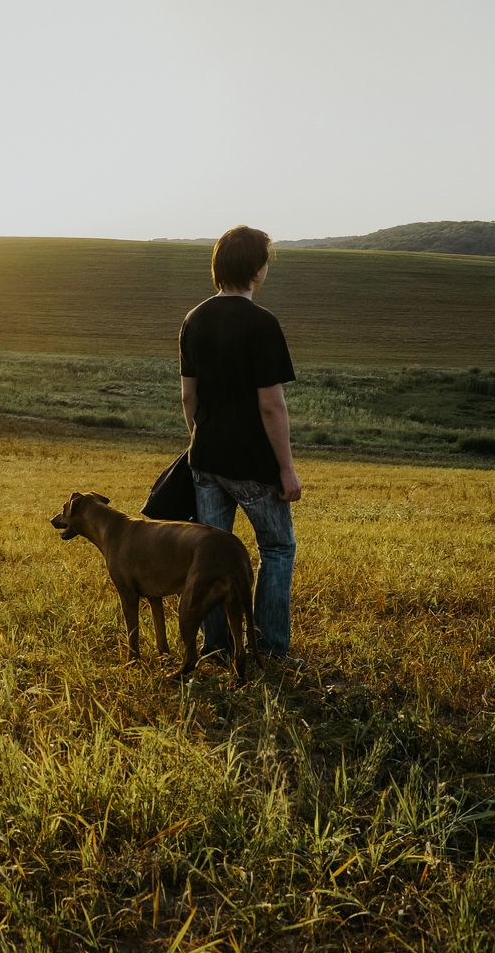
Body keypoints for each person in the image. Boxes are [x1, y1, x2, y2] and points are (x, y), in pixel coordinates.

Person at [178, 225, 301, 664]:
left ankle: (217, 649)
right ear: (256, 269)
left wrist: (199, 438)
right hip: (251, 463)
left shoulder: (193, 319)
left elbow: (188, 397)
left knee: (211, 556)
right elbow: (271, 406)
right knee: (277, 548)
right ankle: (269, 649)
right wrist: (286, 469)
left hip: (205, 459)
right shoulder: (262, 324)